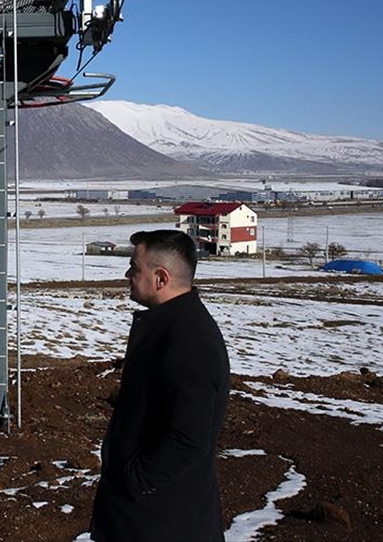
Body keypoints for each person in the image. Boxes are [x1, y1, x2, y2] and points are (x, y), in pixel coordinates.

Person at [90, 230, 230, 541]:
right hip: (145, 517)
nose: (127, 275)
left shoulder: (189, 340)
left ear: (161, 278)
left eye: (134, 267)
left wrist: (135, 482)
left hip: (162, 523)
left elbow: (189, 438)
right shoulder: (170, 326)